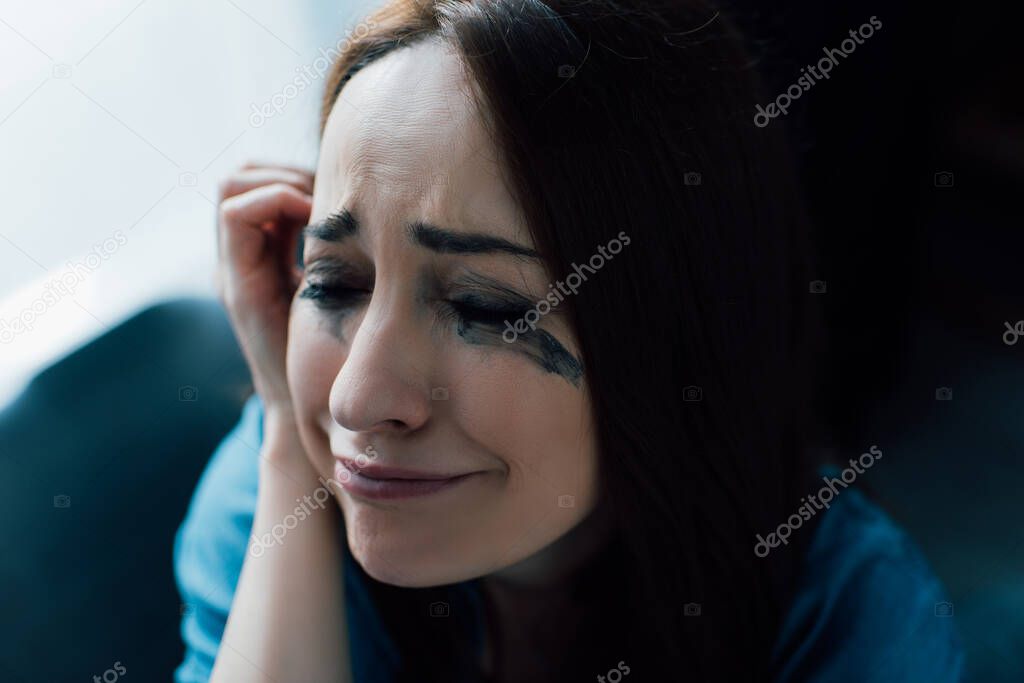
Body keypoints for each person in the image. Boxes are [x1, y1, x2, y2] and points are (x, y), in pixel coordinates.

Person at [174, 0, 963, 680]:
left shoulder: (856, 616)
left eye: (484, 307)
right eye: (334, 282)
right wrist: (284, 423)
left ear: (683, 333)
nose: (355, 398)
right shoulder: (273, 499)